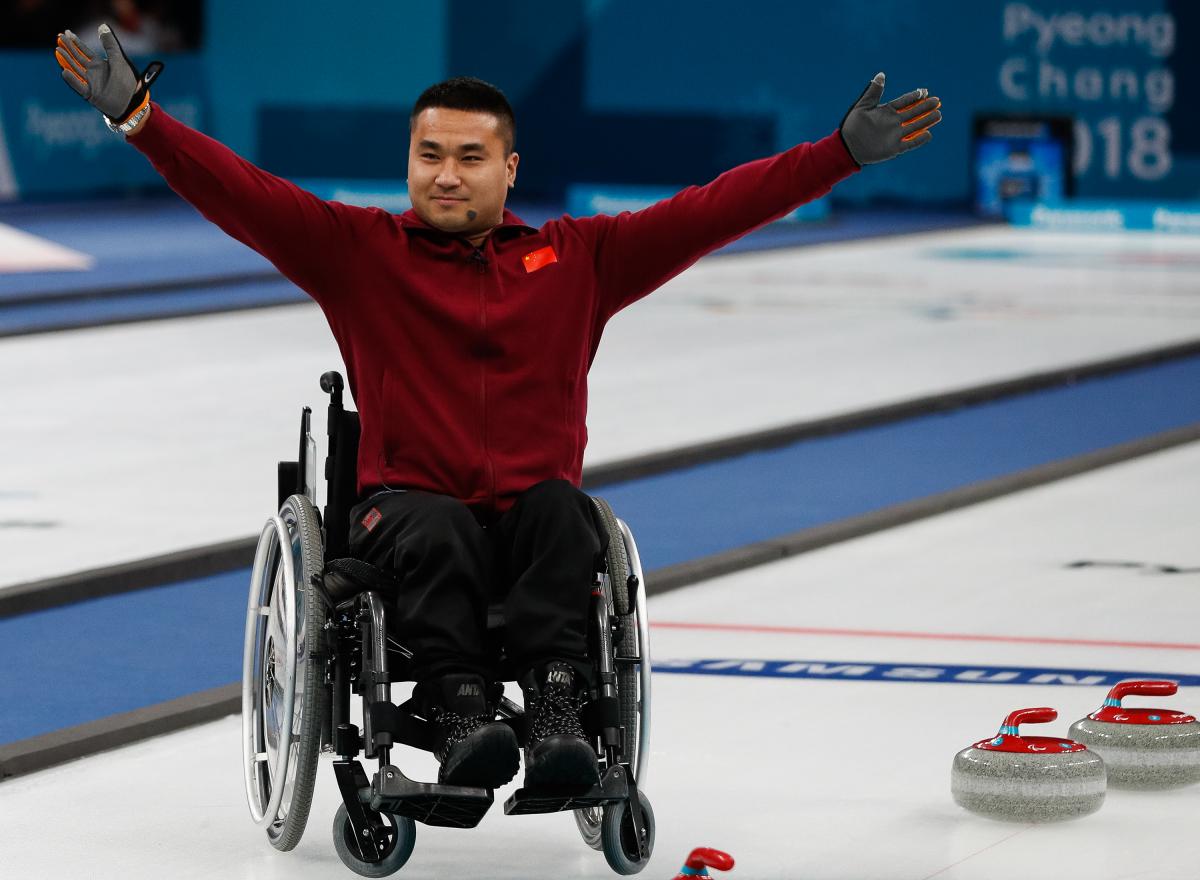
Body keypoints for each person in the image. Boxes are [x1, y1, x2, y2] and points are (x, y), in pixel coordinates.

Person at [54, 26, 941, 791]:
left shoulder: (580, 260)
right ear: (408, 161)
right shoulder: (358, 253)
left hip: (529, 523)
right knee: (437, 525)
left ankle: (558, 704)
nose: (446, 176)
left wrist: (839, 156)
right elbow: (240, 194)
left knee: (564, 509)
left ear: (509, 169)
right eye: (429, 156)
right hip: (406, 517)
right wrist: (140, 121)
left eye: (469, 158)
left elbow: (708, 212)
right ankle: (455, 705)